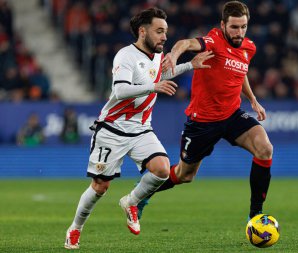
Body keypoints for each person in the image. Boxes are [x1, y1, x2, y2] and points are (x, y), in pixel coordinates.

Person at [64, 7, 213, 250]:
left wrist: (190, 65)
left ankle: (131, 201)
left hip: (141, 128)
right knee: (100, 187)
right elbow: (121, 90)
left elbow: (160, 73)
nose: (164, 37)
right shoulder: (125, 56)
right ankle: (75, 229)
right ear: (143, 31)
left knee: (162, 169)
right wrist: (154, 88)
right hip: (112, 128)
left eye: (165, 31)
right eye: (159, 31)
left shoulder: (157, 54)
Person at [138, 1, 274, 223]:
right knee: (185, 175)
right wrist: (173, 54)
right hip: (203, 121)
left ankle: (255, 215)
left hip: (231, 115)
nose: (239, 33)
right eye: (234, 27)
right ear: (223, 25)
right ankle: (144, 191)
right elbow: (185, 43)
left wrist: (253, 100)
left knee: (265, 148)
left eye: (243, 27)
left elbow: (241, 72)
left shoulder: (249, 47)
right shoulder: (213, 41)